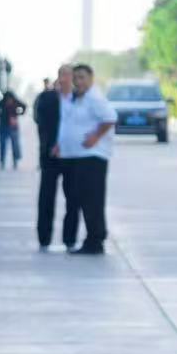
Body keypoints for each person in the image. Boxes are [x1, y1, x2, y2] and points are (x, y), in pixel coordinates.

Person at [54, 63, 117, 254]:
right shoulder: (78, 98)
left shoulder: (94, 98)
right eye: (76, 78)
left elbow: (110, 118)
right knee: (83, 199)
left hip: (93, 157)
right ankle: (92, 239)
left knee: (93, 201)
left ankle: (95, 241)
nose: (78, 81)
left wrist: (96, 136)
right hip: (79, 157)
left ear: (91, 79)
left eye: (82, 77)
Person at [33, 68, 68, 249]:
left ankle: (69, 239)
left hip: (71, 157)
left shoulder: (77, 99)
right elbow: (39, 120)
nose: (66, 80)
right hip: (50, 155)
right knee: (46, 197)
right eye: (63, 76)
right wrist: (52, 144)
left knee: (73, 199)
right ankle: (44, 237)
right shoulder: (46, 98)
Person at [0, 88, 26, 169]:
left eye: (10, 99)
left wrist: (19, 113)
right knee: (3, 145)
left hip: (13, 127)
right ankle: (2, 161)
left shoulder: (15, 102)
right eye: (8, 100)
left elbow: (24, 106)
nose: (9, 101)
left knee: (15, 145)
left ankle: (15, 161)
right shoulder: (2, 102)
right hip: (4, 126)